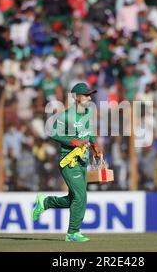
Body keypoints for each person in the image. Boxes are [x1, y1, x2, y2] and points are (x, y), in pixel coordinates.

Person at [32, 82, 103, 242]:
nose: (90, 97)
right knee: (80, 196)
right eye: (86, 95)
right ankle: (72, 233)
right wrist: (73, 142)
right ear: (77, 98)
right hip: (68, 161)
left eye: (90, 94)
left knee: (76, 198)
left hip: (83, 160)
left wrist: (95, 146)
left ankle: (45, 202)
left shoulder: (89, 111)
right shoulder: (66, 116)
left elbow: (90, 132)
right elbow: (51, 133)